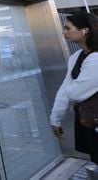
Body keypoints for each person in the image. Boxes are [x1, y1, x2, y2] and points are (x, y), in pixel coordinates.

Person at [50, 12, 98, 165]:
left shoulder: (96, 58)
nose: (64, 32)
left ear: (84, 31)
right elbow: (66, 89)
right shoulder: (76, 56)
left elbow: (75, 93)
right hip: (88, 119)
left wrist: (70, 89)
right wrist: (55, 119)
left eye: (67, 28)